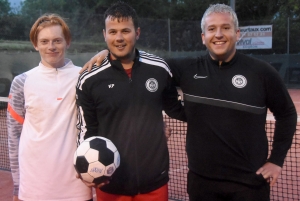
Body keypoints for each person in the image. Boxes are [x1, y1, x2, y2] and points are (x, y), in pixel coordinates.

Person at [83, 3, 297, 201]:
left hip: (250, 186)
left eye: (226, 28)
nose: (219, 34)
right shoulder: (186, 69)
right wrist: (109, 54)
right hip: (201, 183)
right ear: (203, 37)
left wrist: (276, 160)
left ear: (237, 33)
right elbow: (143, 66)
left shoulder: (262, 73)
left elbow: (287, 114)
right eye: (212, 29)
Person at [76, 1, 185, 201]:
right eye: (113, 31)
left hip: (154, 181)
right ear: (104, 35)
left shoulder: (159, 68)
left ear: (137, 32)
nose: (119, 38)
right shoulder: (89, 79)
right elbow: (87, 129)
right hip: (110, 183)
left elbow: (176, 109)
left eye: (125, 31)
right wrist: (82, 165)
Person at [7, 14, 92, 201]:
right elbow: (14, 136)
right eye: (44, 41)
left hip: (76, 186)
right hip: (33, 187)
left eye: (57, 41)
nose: (51, 47)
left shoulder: (84, 77)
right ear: (35, 44)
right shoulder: (21, 82)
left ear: (67, 42)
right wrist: (17, 185)